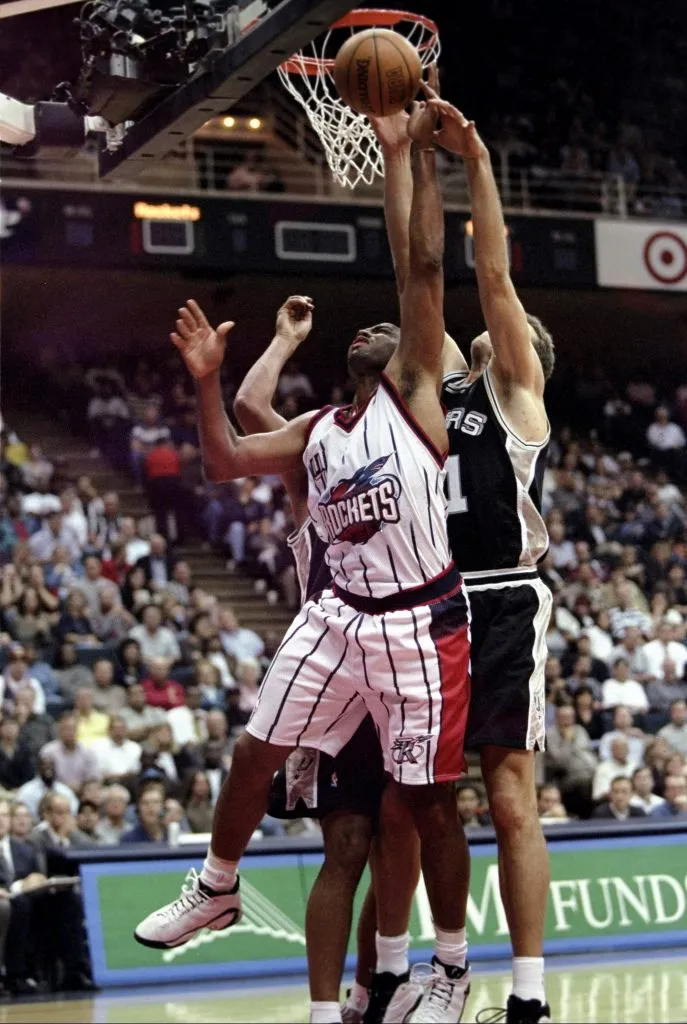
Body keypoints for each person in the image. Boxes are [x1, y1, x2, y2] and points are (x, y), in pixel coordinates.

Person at [135, 92, 474, 1024]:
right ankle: (216, 883)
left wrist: (406, 154)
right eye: (357, 332)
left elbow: (420, 265)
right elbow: (223, 459)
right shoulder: (321, 428)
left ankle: (445, 967)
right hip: (336, 617)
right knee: (254, 751)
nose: (372, 327)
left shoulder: (416, 398)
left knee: (426, 806)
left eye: (389, 328)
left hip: (416, 617)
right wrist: (204, 382)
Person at [403, 86, 555, 1024]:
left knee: (508, 800)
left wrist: (477, 164)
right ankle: (446, 971)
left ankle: (528, 993)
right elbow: (417, 276)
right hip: (432, 603)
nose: (492, 325)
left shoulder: (513, 393)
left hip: (502, 599)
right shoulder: (433, 397)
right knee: (428, 802)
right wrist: (409, 159)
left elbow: (488, 279)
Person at [233, 295, 385, 1022]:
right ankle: (328, 1010)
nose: (372, 329)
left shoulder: (421, 447)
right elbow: (247, 405)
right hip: (334, 672)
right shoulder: (320, 451)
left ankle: (372, 994)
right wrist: (284, 340)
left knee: (403, 851)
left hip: (407, 663)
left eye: (389, 329)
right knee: (350, 843)